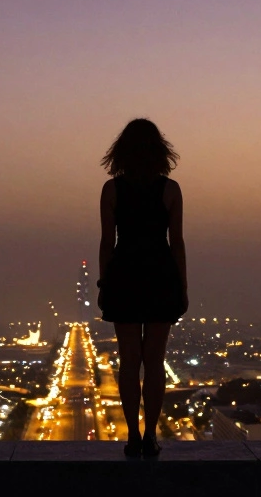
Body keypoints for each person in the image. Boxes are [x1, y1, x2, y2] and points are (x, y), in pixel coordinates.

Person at [96, 118, 187, 458]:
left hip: (124, 276)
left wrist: (104, 282)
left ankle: (133, 436)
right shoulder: (170, 189)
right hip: (161, 276)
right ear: (159, 151)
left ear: (122, 151)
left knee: (129, 360)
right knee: (155, 361)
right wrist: (183, 286)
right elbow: (176, 242)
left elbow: (107, 242)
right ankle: (150, 435)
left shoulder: (111, 190)